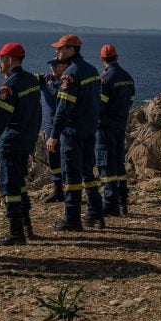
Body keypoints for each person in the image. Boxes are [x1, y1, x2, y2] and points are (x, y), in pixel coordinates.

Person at [0, 42, 42, 245]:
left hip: (13, 141)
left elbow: (0, 119)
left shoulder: (9, 87)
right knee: (20, 184)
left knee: (10, 187)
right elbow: (37, 112)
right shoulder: (31, 80)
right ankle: (26, 226)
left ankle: (16, 233)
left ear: (10, 60)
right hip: (28, 139)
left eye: (1, 58)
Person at [45, 34, 105, 230]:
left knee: (71, 176)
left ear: (71, 50)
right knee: (88, 172)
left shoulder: (70, 74)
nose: (57, 52)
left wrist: (54, 134)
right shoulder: (93, 70)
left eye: (60, 49)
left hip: (72, 132)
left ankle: (72, 218)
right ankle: (96, 215)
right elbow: (97, 101)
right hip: (89, 130)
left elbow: (63, 108)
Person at [97, 44, 136, 217]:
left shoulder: (105, 78)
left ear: (102, 59)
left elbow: (100, 105)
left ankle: (110, 203)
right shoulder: (127, 76)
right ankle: (123, 202)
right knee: (119, 162)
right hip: (121, 124)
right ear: (117, 57)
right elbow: (131, 98)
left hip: (106, 126)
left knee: (107, 163)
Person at [37, 57, 69, 203]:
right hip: (50, 127)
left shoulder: (69, 81)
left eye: (56, 65)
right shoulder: (45, 80)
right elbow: (26, 78)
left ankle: (71, 191)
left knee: (67, 158)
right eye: (51, 65)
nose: (53, 68)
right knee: (53, 159)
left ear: (64, 66)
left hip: (66, 127)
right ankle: (58, 190)